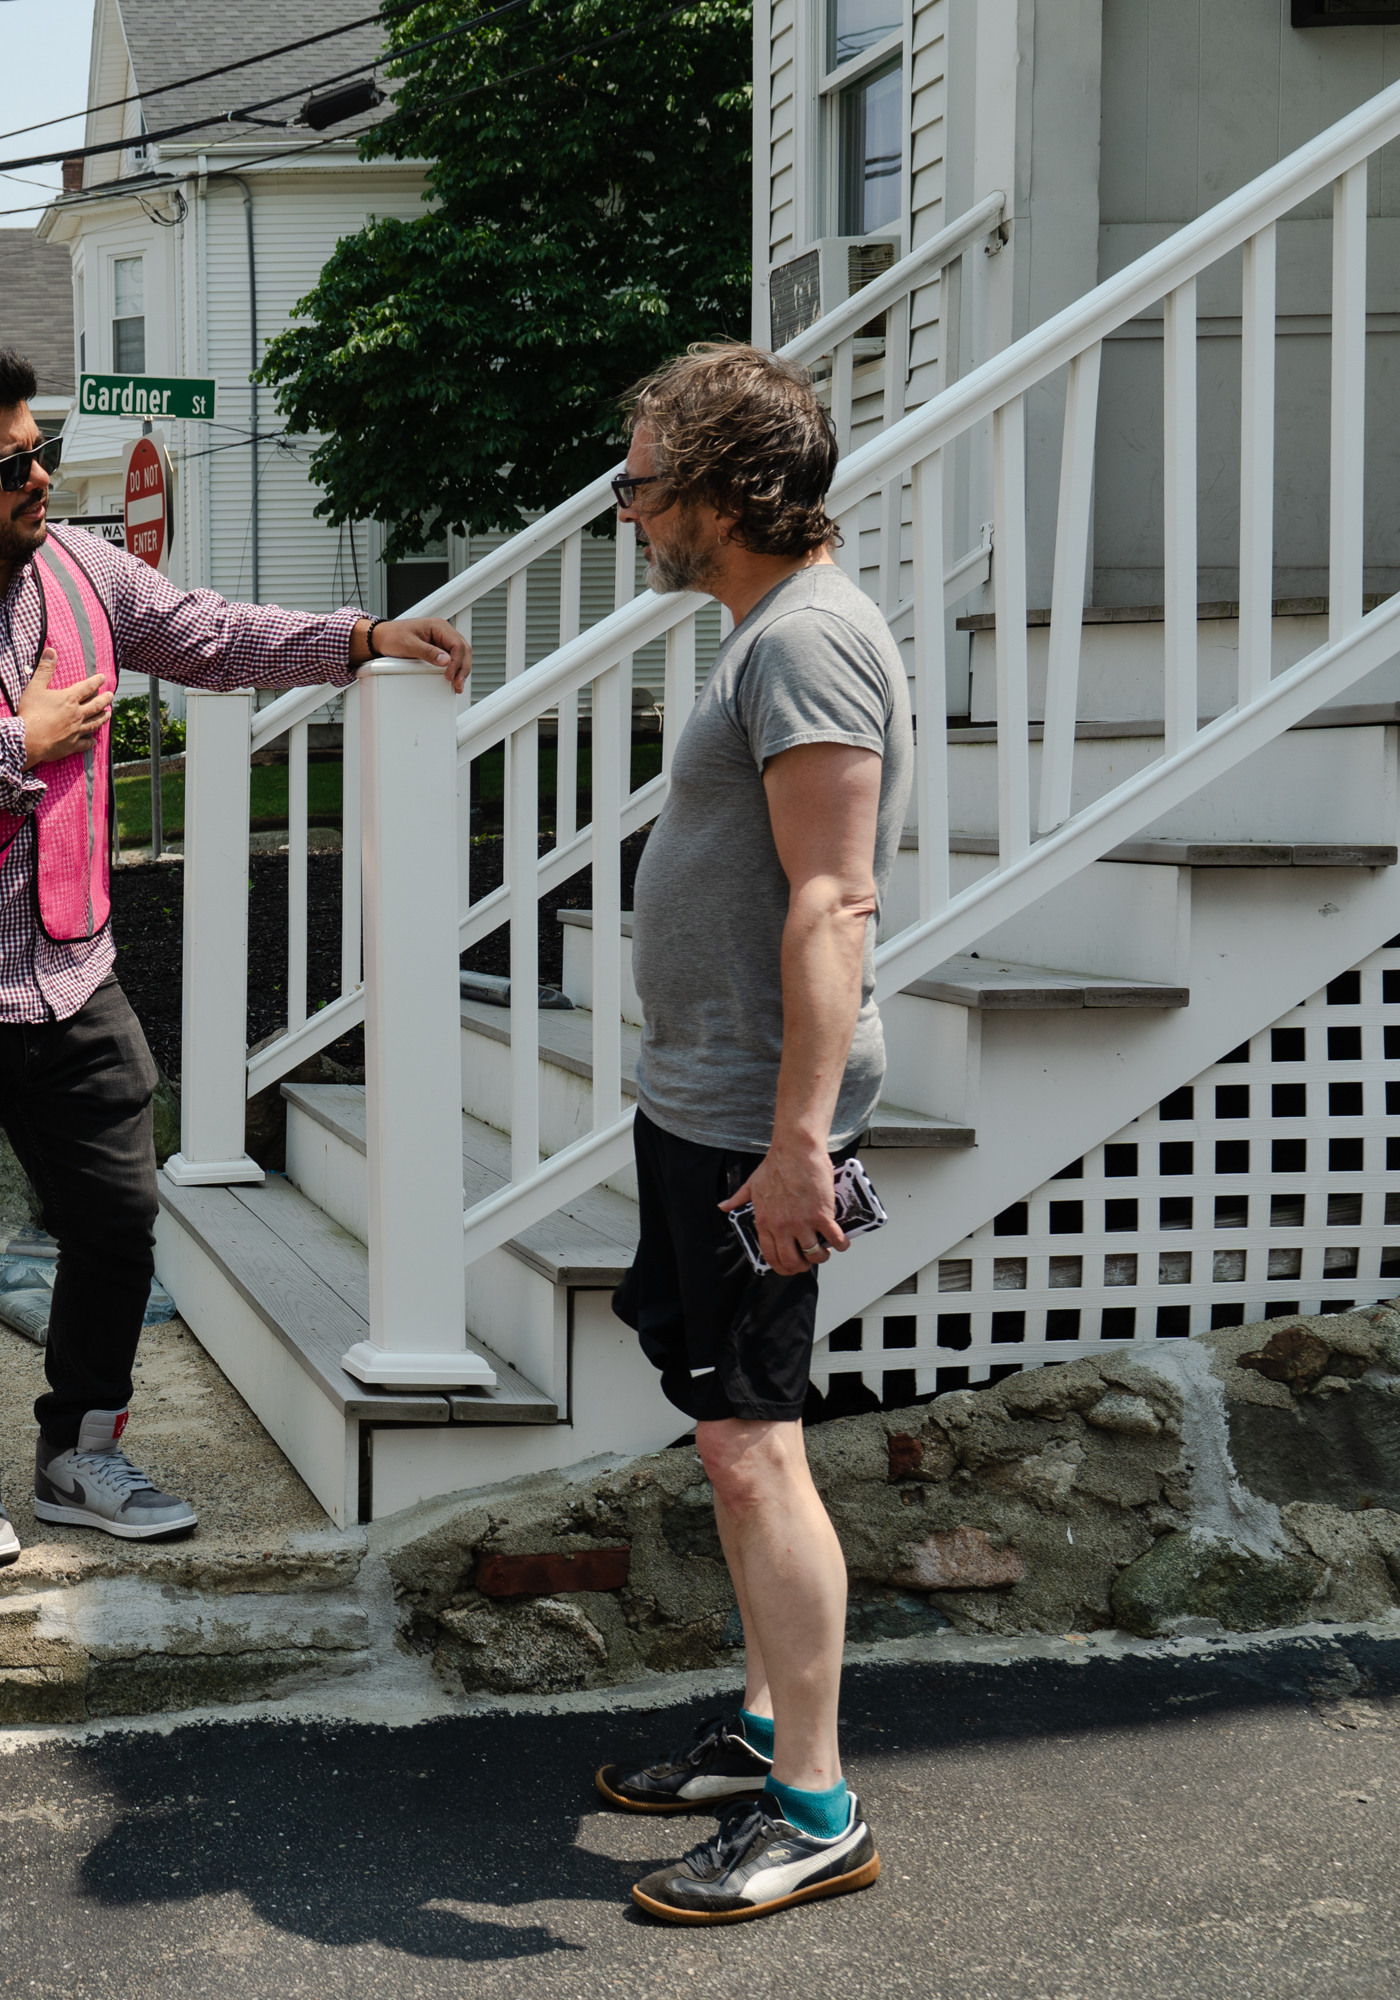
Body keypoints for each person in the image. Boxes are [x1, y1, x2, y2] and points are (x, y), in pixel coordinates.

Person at [0, 347, 469, 1568]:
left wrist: (363, 636)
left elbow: (211, 636)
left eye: (40, 448)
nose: (41, 474)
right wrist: (23, 738)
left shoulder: (81, 570)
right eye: (11, 462)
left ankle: (79, 1450)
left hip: (66, 969)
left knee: (119, 1215)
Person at [594, 343, 909, 1923]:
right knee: (731, 1442)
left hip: (752, 1128)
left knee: (750, 1447)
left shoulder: (809, 645)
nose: (630, 508)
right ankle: (770, 1727)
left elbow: (834, 898)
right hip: (703, 1104)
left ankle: (817, 1808)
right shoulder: (761, 635)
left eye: (641, 480)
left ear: (722, 490)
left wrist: (795, 1144)